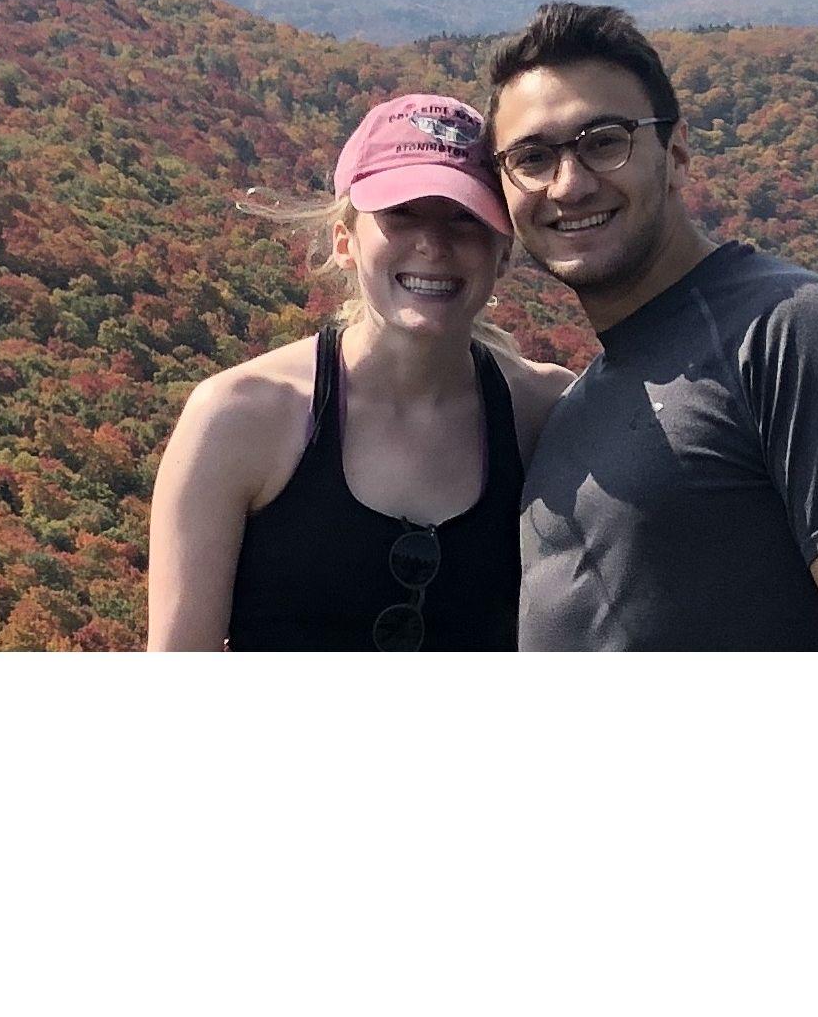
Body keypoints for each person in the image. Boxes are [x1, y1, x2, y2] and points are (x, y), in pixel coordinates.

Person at [485, 2, 818, 650]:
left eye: (603, 143)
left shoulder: (790, 330)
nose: (568, 184)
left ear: (675, 155)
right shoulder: (580, 400)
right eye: (532, 157)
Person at [147, 93, 574, 650]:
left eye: (464, 220)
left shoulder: (548, 415)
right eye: (401, 214)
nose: (433, 244)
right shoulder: (239, 419)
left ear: (503, 254)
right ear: (344, 242)